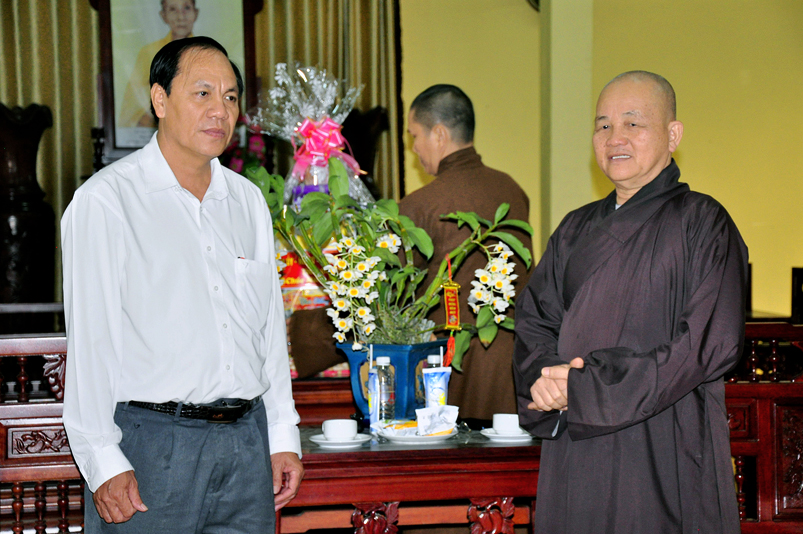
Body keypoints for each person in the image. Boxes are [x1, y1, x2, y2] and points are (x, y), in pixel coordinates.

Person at [61, 36, 303, 532]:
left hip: (246, 441)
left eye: (230, 97)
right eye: (202, 93)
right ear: (160, 99)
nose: (220, 110)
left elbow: (267, 333)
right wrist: (103, 459)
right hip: (151, 445)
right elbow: (91, 343)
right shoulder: (107, 201)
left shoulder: (247, 201)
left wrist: (283, 435)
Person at [514, 71, 746, 533]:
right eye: (603, 125)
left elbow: (709, 344)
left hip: (664, 437)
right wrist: (547, 381)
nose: (614, 138)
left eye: (633, 123)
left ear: (673, 135)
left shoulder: (703, 222)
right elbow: (534, 322)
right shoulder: (575, 228)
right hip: (577, 440)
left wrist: (589, 389)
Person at [400, 84, 532, 426]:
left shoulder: (419, 206)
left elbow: (395, 296)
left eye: (415, 136)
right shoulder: (512, 189)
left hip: (456, 366)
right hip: (517, 360)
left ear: (439, 134)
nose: (414, 148)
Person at [118, 0, 199, 128]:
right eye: (173, 9)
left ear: (196, 13)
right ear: (163, 15)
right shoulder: (148, 52)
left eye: (187, 8)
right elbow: (132, 104)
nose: (180, 16)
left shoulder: (208, 55)